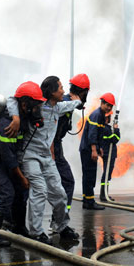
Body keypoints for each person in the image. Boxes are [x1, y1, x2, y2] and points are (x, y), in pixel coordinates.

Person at [6, 76, 82, 244]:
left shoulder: (58, 107)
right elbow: (12, 100)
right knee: (39, 190)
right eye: (60, 88)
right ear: (52, 92)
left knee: (60, 193)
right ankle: (36, 232)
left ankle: (61, 226)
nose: (63, 91)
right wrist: (16, 118)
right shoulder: (37, 105)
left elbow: (72, 104)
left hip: (46, 157)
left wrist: (78, 101)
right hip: (30, 155)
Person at [0, 82, 38, 246]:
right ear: (25, 104)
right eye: (36, 105)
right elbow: (8, 157)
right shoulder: (8, 124)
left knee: (20, 193)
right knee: (5, 194)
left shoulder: (21, 118)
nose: (38, 108)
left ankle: (18, 227)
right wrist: (22, 177)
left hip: (1, 160)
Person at [49, 73, 90, 213]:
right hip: (51, 147)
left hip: (54, 146)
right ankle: (61, 219)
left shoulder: (68, 102)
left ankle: (60, 218)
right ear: (84, 92)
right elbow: (51, 132)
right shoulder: (64, 104)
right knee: (66, 181)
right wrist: (53, 154)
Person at [79, 93, 115, 209]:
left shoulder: (100, 115)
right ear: (102, 103)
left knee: (88, 175)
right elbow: (92, 134)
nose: (109, 108)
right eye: (107, 105)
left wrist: (98, 148)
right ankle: (89, 202)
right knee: (90, 176)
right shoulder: (97, 115)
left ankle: (87, 200)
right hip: (88, 150)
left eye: (111, 106)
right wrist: (94, 150)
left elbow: (97, 134)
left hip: (88, 149)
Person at [98, 108, 121, 202]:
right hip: (109, 154)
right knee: (107, 174)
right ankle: (103, 195)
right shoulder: (106, 129)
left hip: (107, 153)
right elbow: (115, 139)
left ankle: (104, 194)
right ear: (106, 118)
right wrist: (116, 129)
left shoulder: (104, 128)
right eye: (109, 117)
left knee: (107, 174)